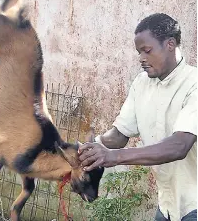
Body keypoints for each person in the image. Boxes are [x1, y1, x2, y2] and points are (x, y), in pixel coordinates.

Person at [78, 13, 197, 221]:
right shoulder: (141, 83)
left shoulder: (193, 84)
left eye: (147, 51)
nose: (141, 58)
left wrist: (114, 157)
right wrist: (89, 149)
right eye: (138, 52)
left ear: (170, 44)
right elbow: (119, 135)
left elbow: (180, 145)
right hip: (167, 204)